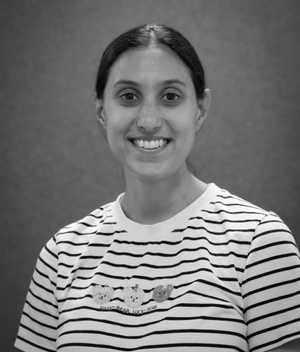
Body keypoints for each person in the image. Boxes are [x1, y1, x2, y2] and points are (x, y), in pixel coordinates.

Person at [15, 24, 300, 352]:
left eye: (170, 96)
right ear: (101, 111)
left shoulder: (259, 243)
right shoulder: (61, 255)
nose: (149, 120)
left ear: (200, 109)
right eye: (128, 96)